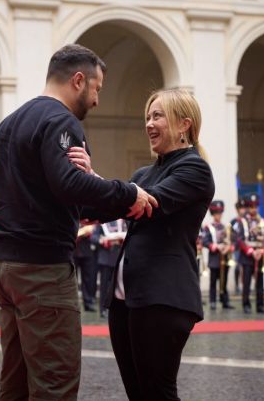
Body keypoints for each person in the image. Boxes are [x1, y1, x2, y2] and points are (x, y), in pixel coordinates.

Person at [0, 43, 157, 401]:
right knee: (55, 383)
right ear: (78, 80)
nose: (96, 100)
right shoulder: (60, 120)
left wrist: (110, 197)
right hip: (42, 269)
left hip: (6, 265)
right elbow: (69, 186)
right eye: (97, 89)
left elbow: (66, 202)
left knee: (15, 382)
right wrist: (130, 194)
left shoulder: (8, 124)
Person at [70, 88, 215, 400]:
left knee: (158, 393)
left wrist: (97, 182)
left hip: (163, 297)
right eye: (148, 116)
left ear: (183, 125)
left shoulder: (194, 168)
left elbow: (146, 204)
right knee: (138, 394)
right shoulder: (143, 173)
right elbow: (108, 207)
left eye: (158, 115)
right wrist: (83, 182)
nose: (149, 123)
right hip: (127, 299)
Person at [235, 193, 264, 314]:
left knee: (260, 282)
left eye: (255, 206)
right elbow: (239, 239)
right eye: (251, 206)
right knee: (247, 282)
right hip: (247, 255)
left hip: (259, 255)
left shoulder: (262, 221)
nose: (254, 209)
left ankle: (260, 305)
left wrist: (261, 250)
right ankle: (246, 304)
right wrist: (251, 251)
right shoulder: (242, 221)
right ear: (248, 207)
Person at [202, 200, 234, 310]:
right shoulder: (208, 227)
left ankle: (225, 301)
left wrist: (228, 247)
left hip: (225, 257)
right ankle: (212, 301)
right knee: (213, 281)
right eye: (216, 213)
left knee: (223, 281)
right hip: (214, 259)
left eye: (220, 213)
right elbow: (205, 241)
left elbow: (231, 241)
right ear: (213, 214)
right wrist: (215, 246)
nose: (218, 215)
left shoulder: (225, 227)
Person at [91, 219, 127, 318]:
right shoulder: (105, 220)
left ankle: (117, 309)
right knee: (104, 287)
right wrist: (102, 240)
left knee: (120, 286)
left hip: (121, 258)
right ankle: (103, 309)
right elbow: (93, 237)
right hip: (106, 259)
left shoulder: (125, 221)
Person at [74, 221, 98, 312]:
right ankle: (74, 303)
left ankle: (88, 303)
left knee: (89, 279)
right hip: (73, 250)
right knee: (73, 278)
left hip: (88, 250)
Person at [230, 198, 248, 295]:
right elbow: (232, 235)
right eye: (240, 208)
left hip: (246, 247)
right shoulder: (233, 222)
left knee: (246, 268)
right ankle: (237, 285)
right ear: (237, 210)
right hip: (237, 248)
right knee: (237, 267)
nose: (242, 210)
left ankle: (246, 286)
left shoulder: (247, 220)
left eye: (243, 208)